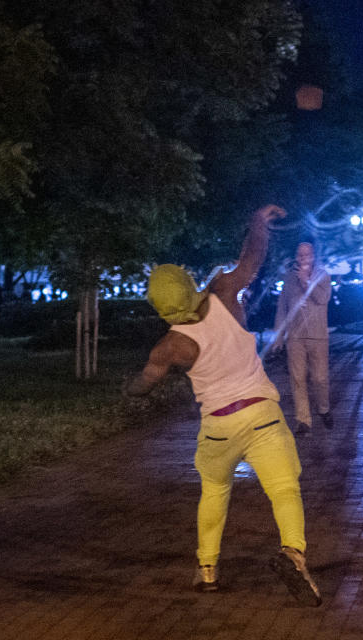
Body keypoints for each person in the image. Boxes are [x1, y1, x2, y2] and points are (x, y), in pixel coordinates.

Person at [123, 205, 320, 605]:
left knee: (214, 490)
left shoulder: (170, 346)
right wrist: (258, 222)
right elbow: (253, 257)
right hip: (262, 414)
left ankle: (207, 569)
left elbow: (143, 385)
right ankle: (293, 553)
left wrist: (128, 390)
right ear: (188, 282)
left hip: (218, 427)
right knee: (284, 489)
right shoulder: (224, 293)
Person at [272, 242, 332, 435]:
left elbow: (322, 299)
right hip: (295, 337)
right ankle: (303, 420)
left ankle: (323, 408)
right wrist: (279, 336)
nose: (302, 258)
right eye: (300, 255)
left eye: (306, 255)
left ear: (313, 256)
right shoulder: (289, 278)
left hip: (318, 336)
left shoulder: (322, 275)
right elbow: (282, 307)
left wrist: (306, 281)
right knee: (298, 378)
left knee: (320, 378)